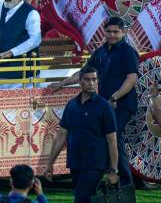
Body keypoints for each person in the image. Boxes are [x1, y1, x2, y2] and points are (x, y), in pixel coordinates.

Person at [50, 17, 138, 186]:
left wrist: (115, 97)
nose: (112, 35)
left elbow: (132, 78)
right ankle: (120, 180)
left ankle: (119, 179)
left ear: (123, 32)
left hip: (122, 105)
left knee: (113, 137)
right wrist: (61, 84)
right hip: (107, 105)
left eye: (115, 32)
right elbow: (84, 73)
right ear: (104, 32)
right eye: (109, 32)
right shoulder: (101, 52)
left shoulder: (128, 52)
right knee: (114, 140)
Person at [45, 66, 119, 203]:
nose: (91, 83)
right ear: (79, 81)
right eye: (87, 80)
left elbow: (112, 140)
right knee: (85, 198)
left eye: (94, 79)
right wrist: (50, 163)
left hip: (95, 163)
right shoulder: (72, 105)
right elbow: (62, 135)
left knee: (81, 197)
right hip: (76, 162)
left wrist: (113, 170)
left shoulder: (104, 106)